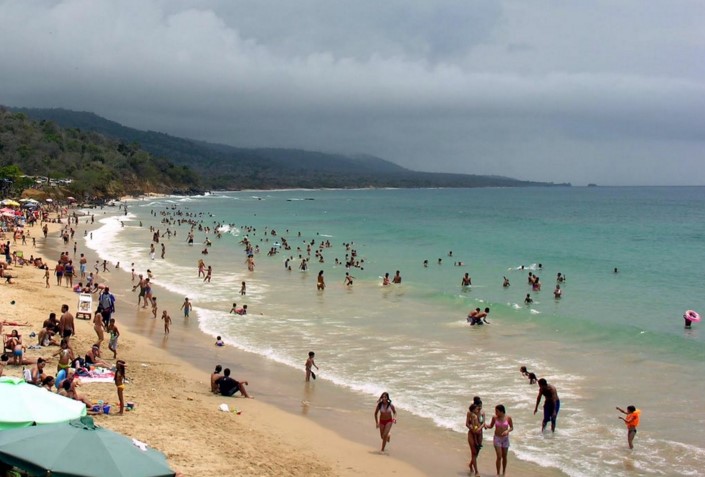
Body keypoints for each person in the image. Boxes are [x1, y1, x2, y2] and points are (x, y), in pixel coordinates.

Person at [485, 404, 513, 476]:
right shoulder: (494, 418)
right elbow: (491, 426)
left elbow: (512, 427)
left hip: (505, 439)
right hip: (497, 438)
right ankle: (498, 473)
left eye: (497, 411)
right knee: (499, 456)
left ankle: (503, 472)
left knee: (504, 456)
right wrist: (485, 425)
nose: (495, 413)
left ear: (502, 411)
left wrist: (507, 431)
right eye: (495, 411)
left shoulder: (508, 418)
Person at [466, 403, 482, 474]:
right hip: (474, 432)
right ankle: (476, 471)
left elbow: (480, 423)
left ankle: (471, 464)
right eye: (478, 407)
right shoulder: (472, 415)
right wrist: (474, 428)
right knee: (474, 452)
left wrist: (478, 428)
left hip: (478, 433)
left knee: (477, 451)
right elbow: (473, 424)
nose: (479, 408)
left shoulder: (481, 413)